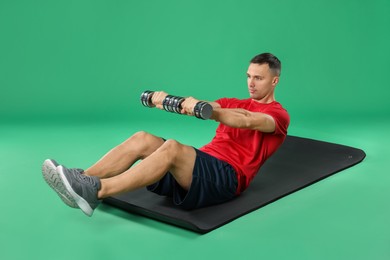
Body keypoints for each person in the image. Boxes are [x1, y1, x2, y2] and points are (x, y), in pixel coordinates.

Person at [42, 52, 290, 216]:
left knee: (172, 147)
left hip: (227, 177)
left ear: (274, 81)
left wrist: (212, 112)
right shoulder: (231, 101)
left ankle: (97, 192)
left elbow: (246, 120)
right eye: (248, 76)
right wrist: (162, 100)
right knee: (143, 138)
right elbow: (204, 107)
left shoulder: (278, 116)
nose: (251, 83)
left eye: (258, 78)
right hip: (197, 170)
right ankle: (81, 180)